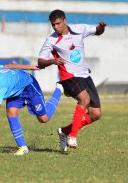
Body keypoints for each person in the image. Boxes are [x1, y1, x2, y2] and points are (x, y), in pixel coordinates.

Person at [37, 9, 107, 152]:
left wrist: (101, 27)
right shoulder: (51, 40)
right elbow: (40, 61)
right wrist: (52, 61)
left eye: (57, 24)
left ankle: (64, 131)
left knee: (95, 114)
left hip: (85, 76)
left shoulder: (79, 29)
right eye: (53, 25)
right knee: (84, 99)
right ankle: (72, 136)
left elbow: (97, 31)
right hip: (69, 77)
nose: (56, 27)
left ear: (65, 20)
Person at [0, 63, 63, 155]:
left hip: (28, 85)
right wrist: (28, 67)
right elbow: (9, 65)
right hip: (15, 91)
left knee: (43, 119)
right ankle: (23, 147)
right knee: (11, 112)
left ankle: (59, 89)